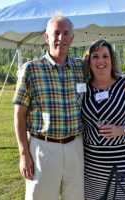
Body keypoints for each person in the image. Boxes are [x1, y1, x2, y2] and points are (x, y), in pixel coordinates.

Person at [13, 15, 85, 200]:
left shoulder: (82, 68)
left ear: (72, 38)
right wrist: (24, 154)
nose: (61, 38)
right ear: (47, 37)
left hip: (75, 147)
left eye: (66, 33)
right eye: (56, 33)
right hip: (43, 148)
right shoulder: (31, 69)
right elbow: (19, 115)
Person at [81, 39, 125, 199]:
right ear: (89, 62)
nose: (101, 61)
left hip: (122, 164)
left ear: (112, 61)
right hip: (92, 165)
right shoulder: (84, 89)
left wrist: (121, 130)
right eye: (95, 56)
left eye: (105, 56)